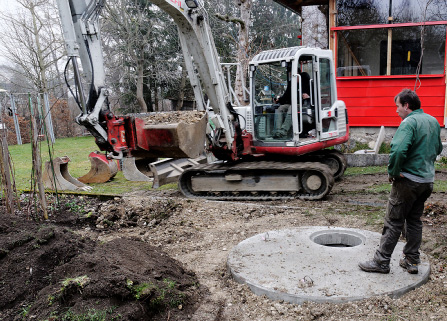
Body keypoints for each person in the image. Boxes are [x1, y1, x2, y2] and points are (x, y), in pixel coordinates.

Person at [359, 89, 443, 274]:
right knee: (414, 221)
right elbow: (438, 149)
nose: (396, 110)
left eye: (397, 106)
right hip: (427, 182)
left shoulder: (409, 122)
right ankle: (411, 261)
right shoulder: (433, 121)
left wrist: (394, 172)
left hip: (408, 181)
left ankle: (381, 262)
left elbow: (398, 151)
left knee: (394, 221)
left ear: (406, 105)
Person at [273, 69, 311, 138]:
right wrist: (278, 100)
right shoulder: (291, 84)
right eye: (291, 75)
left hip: (302, 104)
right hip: (292, 104)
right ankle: (278, 130)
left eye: (293, 75)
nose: (292, 76)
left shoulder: (307, 83)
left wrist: (309, 96)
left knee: (292, 107)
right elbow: (286, 96)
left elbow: (315, 94)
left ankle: (284, 131)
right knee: (280, 108)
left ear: (298, 74)